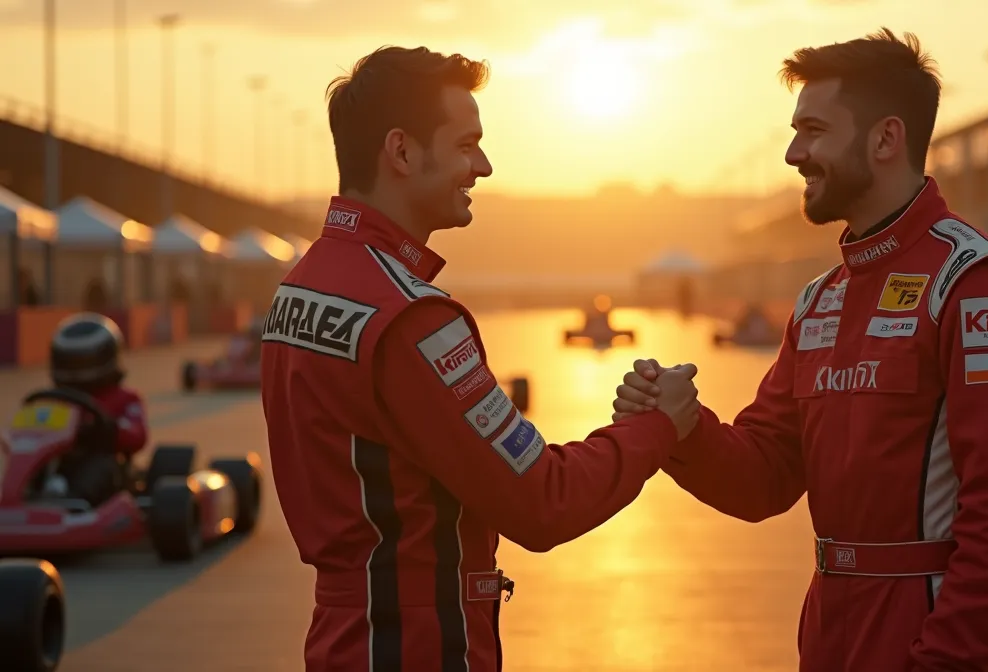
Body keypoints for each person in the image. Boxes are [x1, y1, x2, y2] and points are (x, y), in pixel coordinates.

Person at [612, 30, 988, 672]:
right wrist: (682, 424)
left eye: (814, 130)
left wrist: (940, 661)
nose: (794, 153)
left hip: (928, 639)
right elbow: (762, 477)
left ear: (885, 139)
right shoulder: (820, 300)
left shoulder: (979, 286)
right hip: (828, 634)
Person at [258, 46, 701, 672]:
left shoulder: (299, 288)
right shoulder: (412, 317)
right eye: (467, 145)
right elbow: (544, 500)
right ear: (403, 152)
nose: (484, 166)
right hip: (418, 647)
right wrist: (656, 428)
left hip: (340, 638)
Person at [46, 313, 148, 506]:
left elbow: (138, 435)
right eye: (69, 362)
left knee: (100, 465)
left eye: (81, 362)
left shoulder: (126, 398)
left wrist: (106, 428)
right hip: (59, 463)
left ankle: (75, 505)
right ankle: (21, 500)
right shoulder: (54, 401)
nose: (76, 369)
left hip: (107, 464)